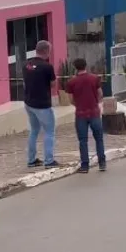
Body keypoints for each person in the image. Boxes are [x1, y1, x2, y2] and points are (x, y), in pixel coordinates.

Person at [65, 58, 106, 173]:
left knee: (83, 141)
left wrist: (79, 105)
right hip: (94, 112)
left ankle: (85, 166)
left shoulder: (71, 82)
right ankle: (102, 163)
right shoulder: (94, 78)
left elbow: (70, 100)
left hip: (80, 114)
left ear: (75, 68)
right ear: (85, 66)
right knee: (99, 139)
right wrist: (94, 102)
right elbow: (100, 94)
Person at [23, 40, 58, 168]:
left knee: (34, 131)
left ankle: (31, 160)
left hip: (29, 103)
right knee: (49, 132)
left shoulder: (26, 65)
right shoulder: (47, 67)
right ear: (46, 51)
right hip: (42, 104)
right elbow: (54, 85)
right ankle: (49, 161)